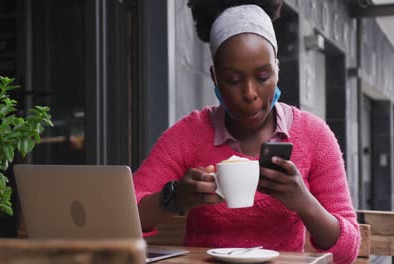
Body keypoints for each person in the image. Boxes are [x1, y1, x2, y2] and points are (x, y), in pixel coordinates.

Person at [133, 0, 360, 263]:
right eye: (232, 80)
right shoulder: (190, 134)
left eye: (263, 76)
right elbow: (124, 215)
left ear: (277, 69)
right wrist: (175, 198)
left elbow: (347, 252)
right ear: (214, 76)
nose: (250, 94)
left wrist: (304, 203)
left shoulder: (314, 136)